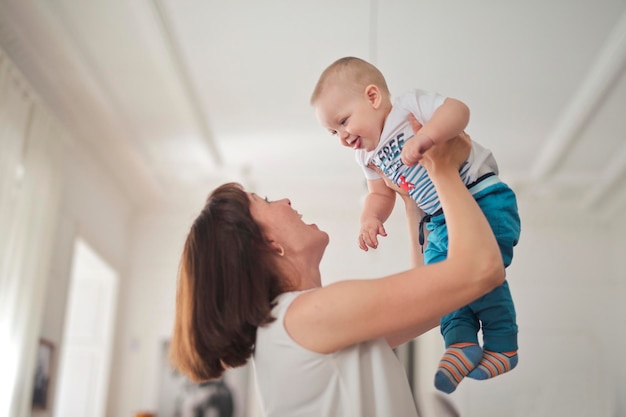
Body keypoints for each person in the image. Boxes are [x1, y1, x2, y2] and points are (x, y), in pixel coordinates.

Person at [169, 128, 505, 417]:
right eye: (268, 201)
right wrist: (443, 169)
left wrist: (410, 199)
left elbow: (433, 304)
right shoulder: (304, 318)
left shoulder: (294, 327)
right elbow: (481, 270)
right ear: (268, 242)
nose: (285, 200)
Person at [311, 56, 521, 394]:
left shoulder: (408, 106)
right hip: (438, 221)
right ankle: (460, 342)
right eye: (333, 131)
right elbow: (380, 194)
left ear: (373, 97)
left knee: (480, 274)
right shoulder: (366, 156)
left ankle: (503, 343)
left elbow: (458, 111)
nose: (342, 136)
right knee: (443, 284)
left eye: (343, 121)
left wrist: (427, 138)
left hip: (482, 195)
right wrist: (370, 217)